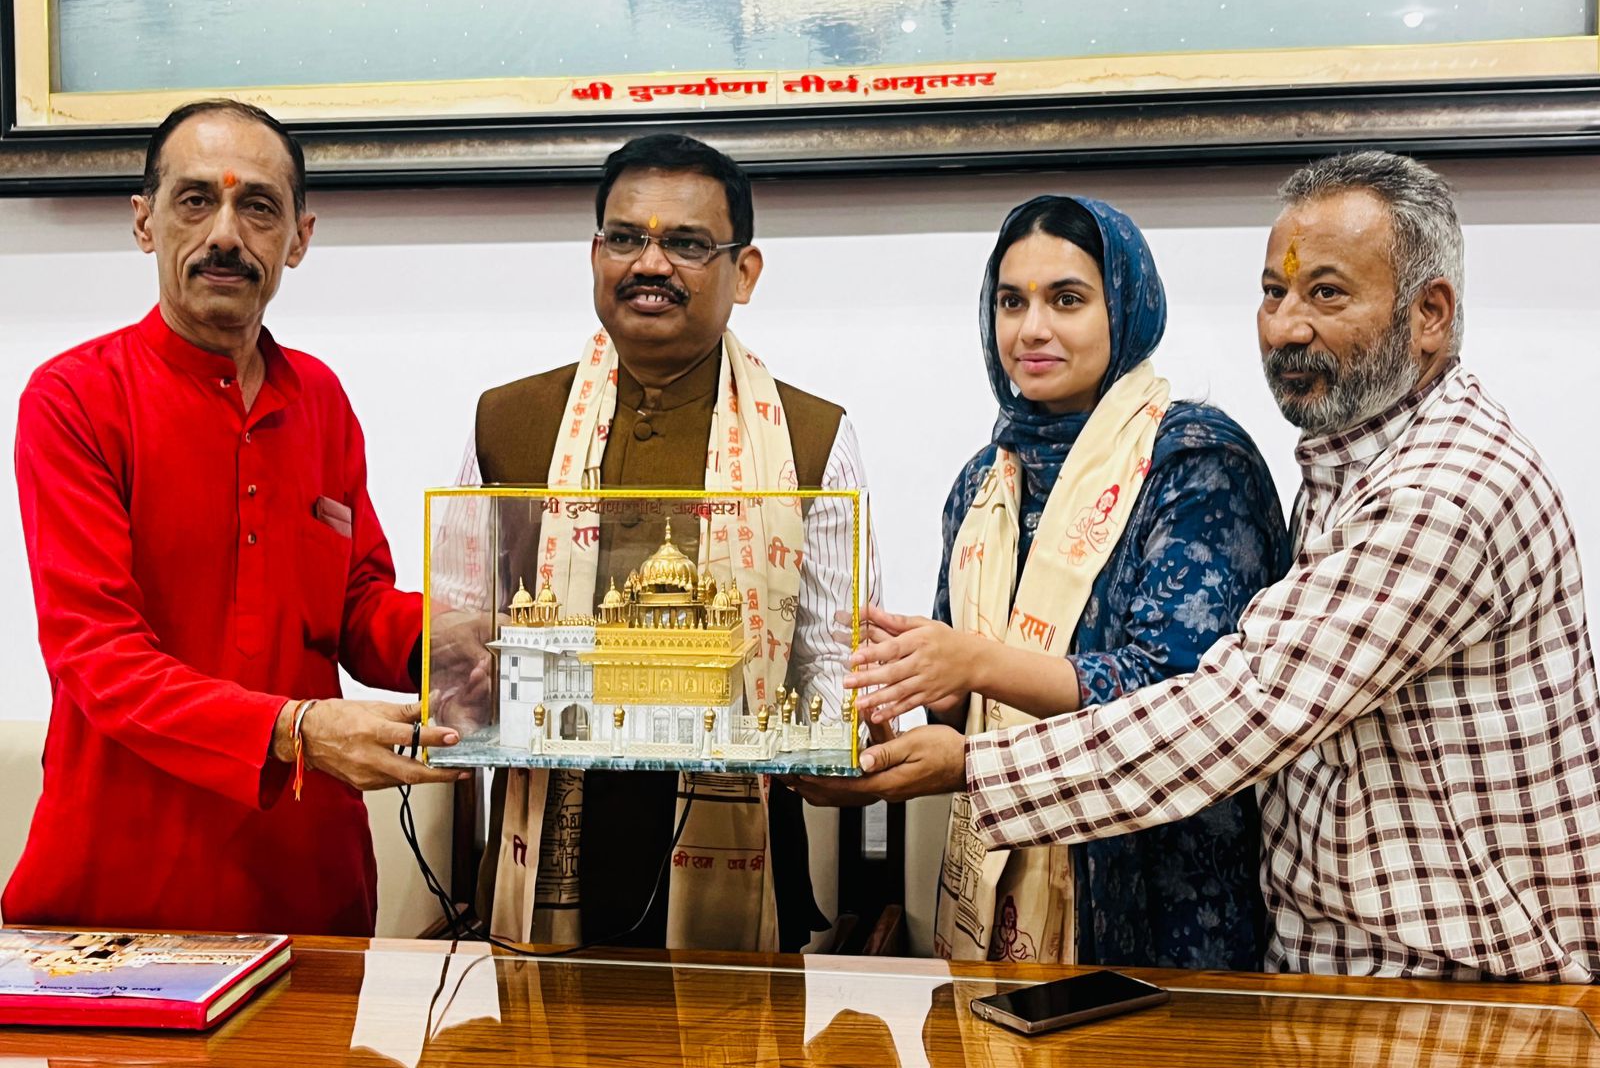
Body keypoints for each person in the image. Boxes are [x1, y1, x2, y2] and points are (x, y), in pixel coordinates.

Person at [837, 151, 1600, 982]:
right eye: (1274, 292)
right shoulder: (1346, 469)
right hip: (1337, 963)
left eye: (1326, 293)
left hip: (1454, 987)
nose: (1286, 326)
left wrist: (975, 761)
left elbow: (1234, 706)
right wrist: (924, 702)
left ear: (1430, 315)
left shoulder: (1434, 492)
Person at [6, 100, 465, 936]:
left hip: (310, 892)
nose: (225, 234)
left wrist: (472, 642)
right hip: (121, 899)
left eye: (258, 207)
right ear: (144, 223)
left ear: (299, 239)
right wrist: (294, 729)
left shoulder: (318, 399)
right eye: (194, 201)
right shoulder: (74, 399)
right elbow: (98, 657)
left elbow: (358, 610)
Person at [794, 196, 1286, 969]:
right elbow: (955, 707)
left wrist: (977, 663)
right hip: (996, 880)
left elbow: (1185, 698)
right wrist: (875, 702)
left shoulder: (1193, 463)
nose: (1032, 330)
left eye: (1067, 300)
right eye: (1010, 302)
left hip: (1157, 896)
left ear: (1126, 306)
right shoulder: (985, 483)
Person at [465, 133, 874, 952]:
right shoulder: (507, 422)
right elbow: (467, 628)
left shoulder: (811, 434)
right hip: (545, 848)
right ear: (594, 255)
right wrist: (463, 678)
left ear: (744, 272)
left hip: (743, 858)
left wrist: (827, 738)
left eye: (686, 244)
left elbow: (837, 653)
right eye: (625, 239)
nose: (650, 264)